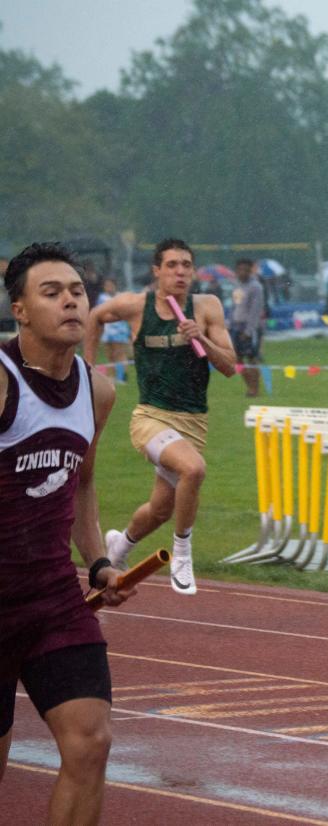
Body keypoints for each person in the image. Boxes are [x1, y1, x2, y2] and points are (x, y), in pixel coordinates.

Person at [2, 243, 135, 825]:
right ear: (20, 310)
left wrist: (98, 563)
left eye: (77, 291)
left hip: (53, 598)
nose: (70, 301)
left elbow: (80, 486)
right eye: (51, 292)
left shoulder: (98, 391)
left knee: (91, 741)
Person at [86, 239, 237, 597]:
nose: (180, 272)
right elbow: (95, 317)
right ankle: (182, 554)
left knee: (160, 510)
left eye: (186, 265)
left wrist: (203, 339)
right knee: (194, 470)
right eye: (171, 265)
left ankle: (119, 548)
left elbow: (229, 366)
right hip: (151, 418)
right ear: (157, 271)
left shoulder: (207, 307)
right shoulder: (138, 306)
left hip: (193, 422)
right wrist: (88, 369)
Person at [231, 258, 266, 397]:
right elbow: (234, 306)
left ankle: (254, 389)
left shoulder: (256, 287)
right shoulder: (236, 285)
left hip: (250, 327)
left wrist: (248, 331)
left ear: (250, 270)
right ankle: (249, 387)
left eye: (245, 270)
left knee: (252, 359)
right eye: (239, 270)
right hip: (236, 325)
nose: (242, 273)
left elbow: (255, 311)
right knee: (237, 359)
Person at [97, 277, 131, 378]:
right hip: (107, 332)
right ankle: (111, 377)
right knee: (109, 355)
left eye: (110, 285)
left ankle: (121, 377)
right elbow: (99, 313)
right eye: (106, 286)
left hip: (119, 331)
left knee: (119, 354)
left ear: (115, 286)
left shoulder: (121, 297)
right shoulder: (101, 298)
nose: (108, 288)